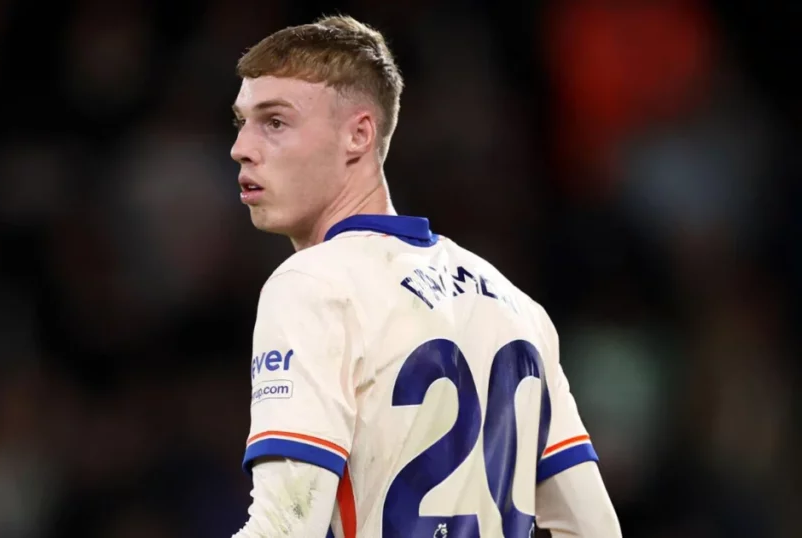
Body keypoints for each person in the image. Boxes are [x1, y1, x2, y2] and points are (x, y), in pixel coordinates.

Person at [229, 14, 622, 538]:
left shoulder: (312, 285)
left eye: (274, 122)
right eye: (242, 122)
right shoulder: (517, 306)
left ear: (359, 135)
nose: (241, 147)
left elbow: (285, 526)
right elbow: (593, 528)